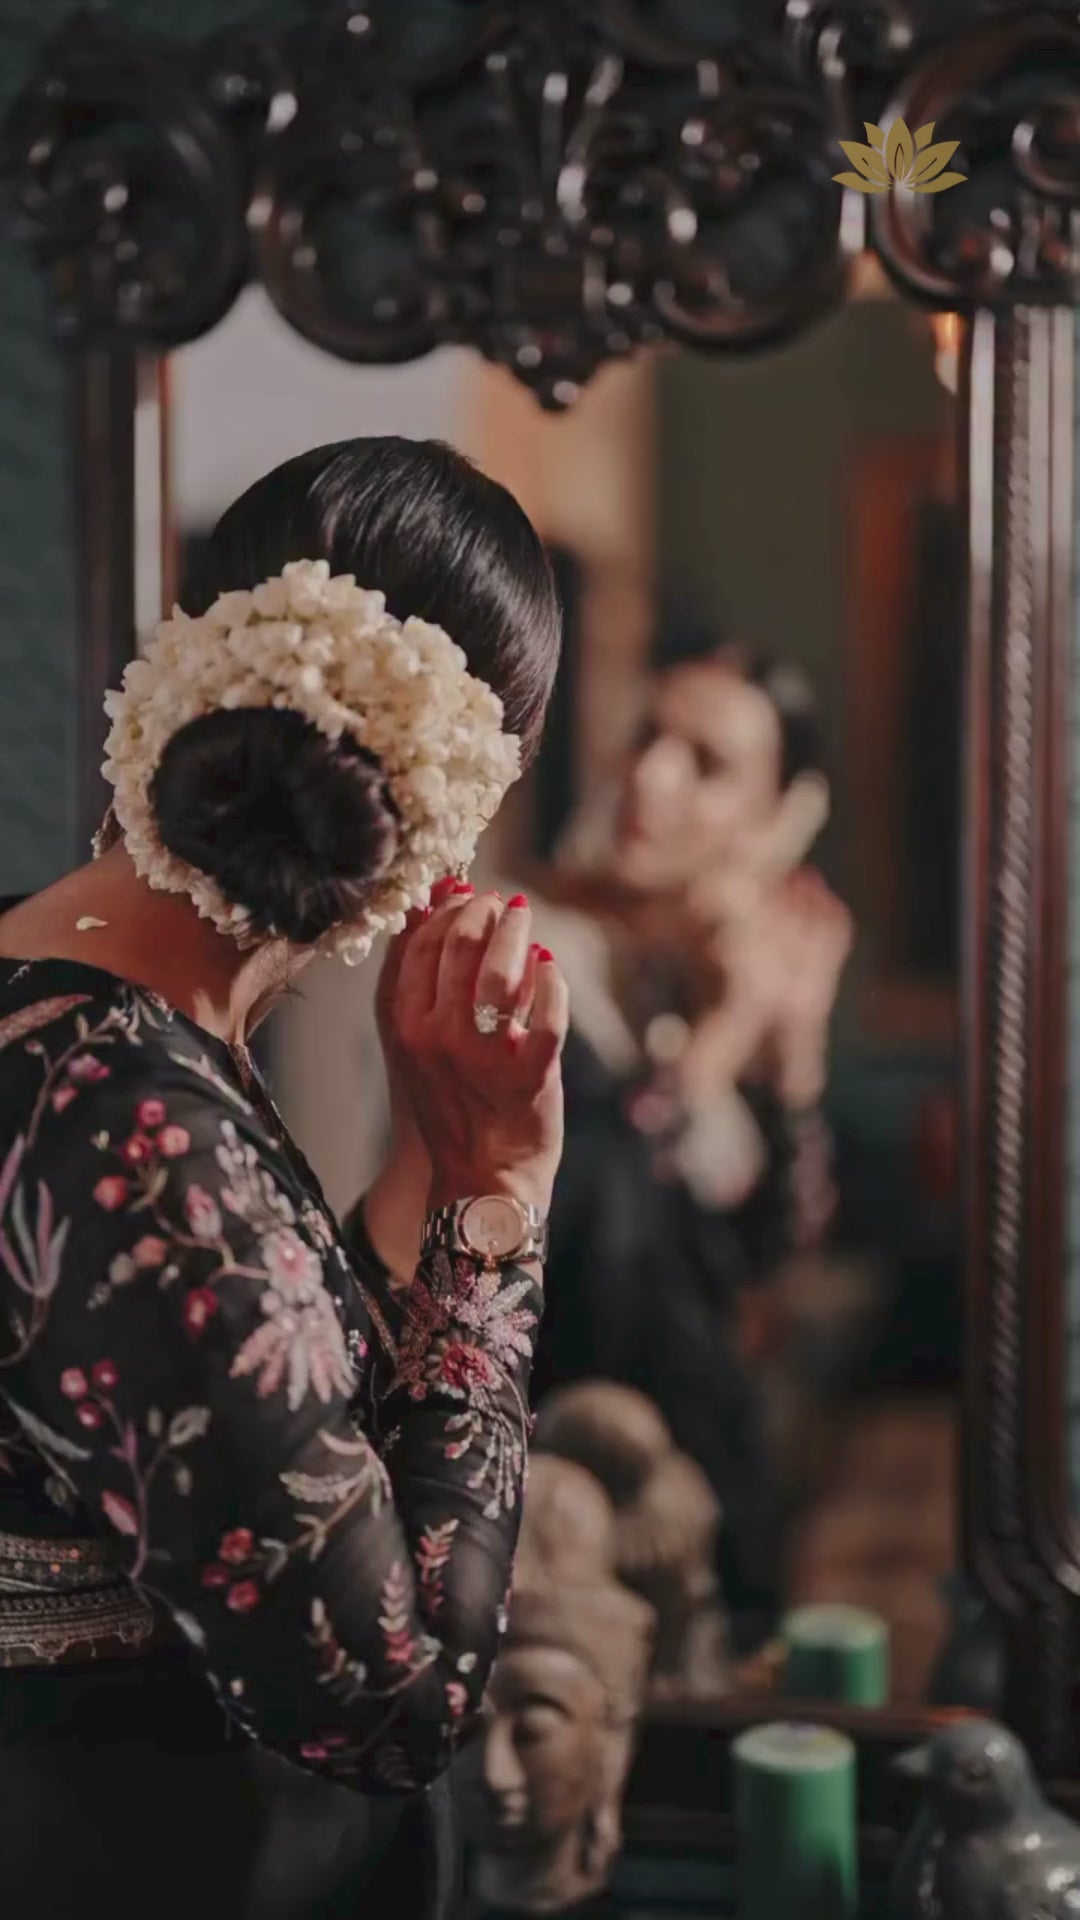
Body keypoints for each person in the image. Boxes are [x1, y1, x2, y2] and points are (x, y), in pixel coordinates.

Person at [0, 437, 568, 1920]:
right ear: (450, 796)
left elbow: (280, 1411)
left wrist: (432, 1144)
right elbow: (393, 1708)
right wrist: (499, 1197)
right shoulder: (142, 1132)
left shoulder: (78, 1013)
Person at [523, 641, 852, 1654]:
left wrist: (792, 1057)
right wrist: (715, 1047)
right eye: (647, 736)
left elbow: (774, 1256)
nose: (650, 776)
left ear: (779, 815)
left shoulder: (723, 963)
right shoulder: (537, 947)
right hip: (560, 1492)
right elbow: (588, 1228)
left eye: (706, 764)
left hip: (717, 1491)